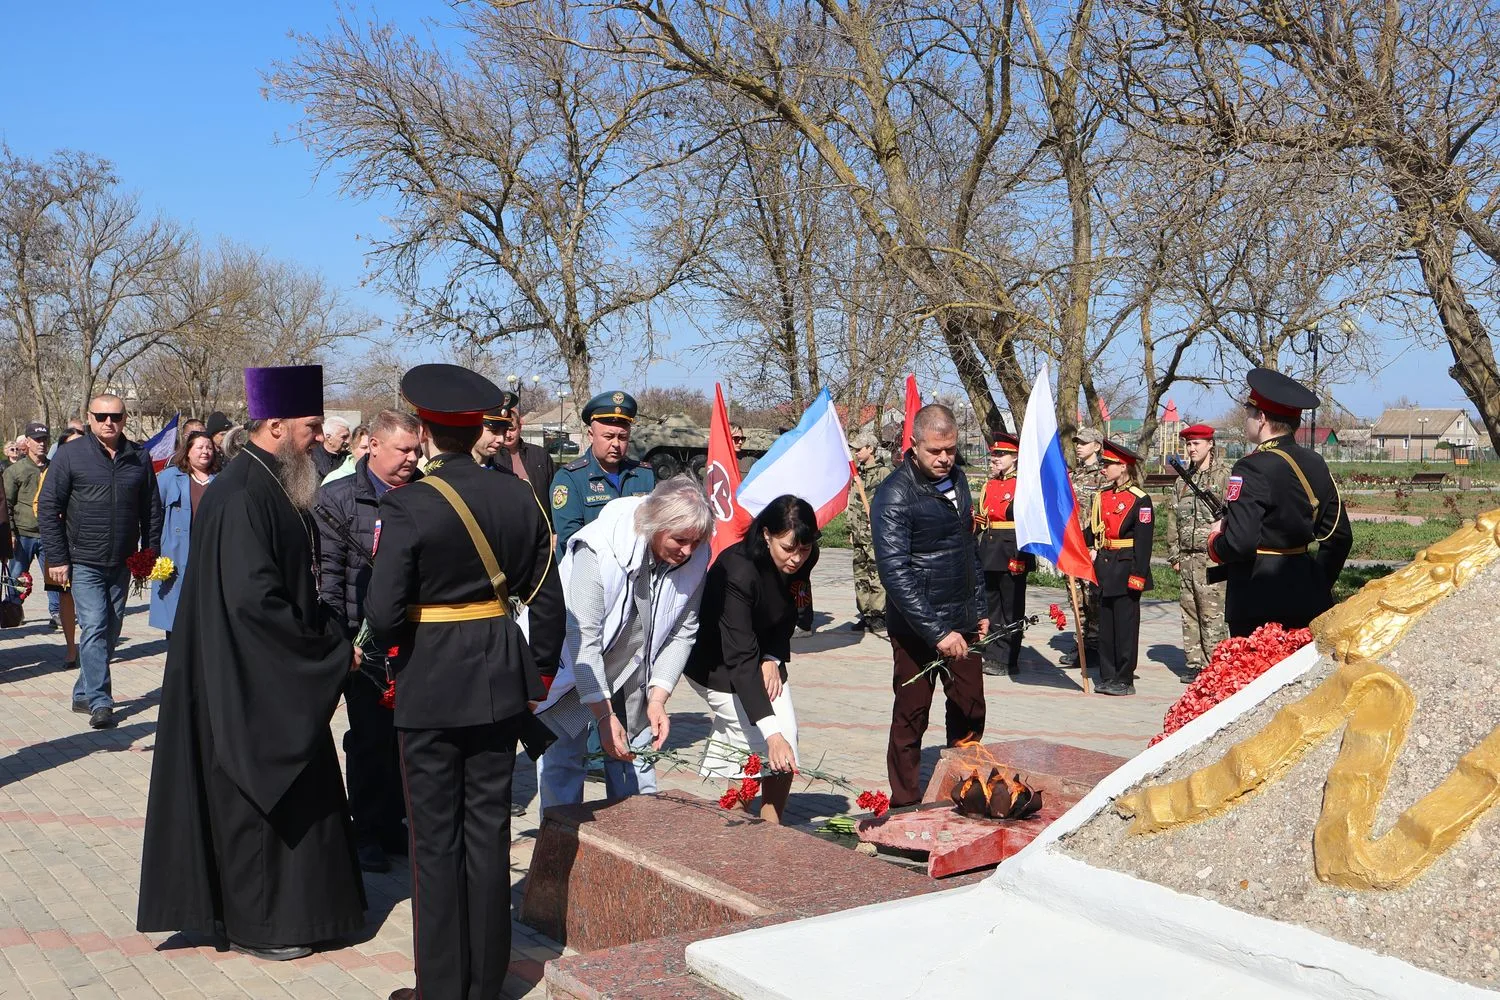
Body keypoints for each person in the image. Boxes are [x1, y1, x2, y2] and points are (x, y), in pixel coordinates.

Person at [137, 364, 365, 962]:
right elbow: (254, 604)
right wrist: (328, 653)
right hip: (249, 679)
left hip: (265, 669)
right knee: (260, 800)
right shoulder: (243, 493)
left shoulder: (270, 482)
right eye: (311, 426)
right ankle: (264, 926)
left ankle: (303, 914)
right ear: (274, 425)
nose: (319, 437)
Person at [363, 364, 564, 1000]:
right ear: (482, 427)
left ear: (422, 432)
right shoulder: (518, 497)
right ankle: (485, 983)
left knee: (434, 842)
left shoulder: (410, 503)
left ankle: (441, 989)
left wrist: (391, 656)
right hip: (500, 679)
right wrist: (538, 672)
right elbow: (545, 597)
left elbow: (382, 613)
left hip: (430, 683)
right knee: (488, 831)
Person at [533, 476, 710, 811]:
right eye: (680, 540)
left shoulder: (695, 554)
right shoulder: (598, 548)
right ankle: (559, 846)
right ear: (656, 526)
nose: (688, 551)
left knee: (635, 761)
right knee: (564, 762)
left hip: (634, 669)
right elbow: (583, 640)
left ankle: (636, 846)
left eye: (697, 542)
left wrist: (658, 697)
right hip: (575, 668)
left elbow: (683, 631)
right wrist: (603, 716)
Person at [315, 409, 423, 875]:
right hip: (364, 645)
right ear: (372, 445)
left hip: (415, 640)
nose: (412, 458)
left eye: (417, 449)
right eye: (403, 450)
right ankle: (365, 831)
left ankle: (393, 822)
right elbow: (330, 581)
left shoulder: (425, 494)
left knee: (407, 739)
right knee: (370, 741)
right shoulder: (338, 500)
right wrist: (345, 645)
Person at [873, 404, 988, 807]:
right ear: (915, 445)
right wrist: (937, 632)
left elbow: (967, 549)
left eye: (951, 450)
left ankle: (965, 787)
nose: (944, 459)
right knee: (911, 716)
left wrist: (980, 609)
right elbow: (895, 573)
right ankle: (905, 803)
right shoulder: (894, 494)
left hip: (964, 619)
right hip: (916, 629)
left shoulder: (959, 481)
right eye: (935, 451)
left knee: (970, 707)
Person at [687, 495, 818, 823]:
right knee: (755, 747)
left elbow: (788, 612)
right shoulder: (738, 571)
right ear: (766, 535)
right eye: (788, 548)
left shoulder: (805, 555)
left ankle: (772, 826)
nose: (797, 558)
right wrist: (770, 736)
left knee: (787, 739)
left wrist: (772, 657)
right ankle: (734, 824)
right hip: (718, 664)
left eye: (803, 549)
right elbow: (739, 660)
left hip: (762, 655)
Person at [38, 395, 163, 730]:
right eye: (102, 416)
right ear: (90, 418)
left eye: (116, 417)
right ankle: (100, 701)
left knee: (112, 628)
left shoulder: (139, 457)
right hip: (83, 560)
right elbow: (49, 508)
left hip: (123, 560)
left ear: (125, 418)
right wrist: (59, 558)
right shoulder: (70, 455)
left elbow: (152, 510)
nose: (109, 422)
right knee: (94, 625)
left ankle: (83, 689)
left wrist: (148, 554)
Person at [1208, 368, 1352, 635]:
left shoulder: (1250, 467)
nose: (1246, 418)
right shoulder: (1315, 462)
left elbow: (1241, 543)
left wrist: (1216, 541)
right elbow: (1339, 537)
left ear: (1261, 417)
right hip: (1308, 599)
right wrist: (1318, 583)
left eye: (1249, 411)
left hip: (1257, 602)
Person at [1083, 439, 1154, 696]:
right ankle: (1108, 673)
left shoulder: (1140, 500)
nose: (1104, 468)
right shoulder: (1102, 497)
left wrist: (1138, 575)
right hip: (1104, 566)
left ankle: (1124, 678)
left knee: (1124, 626)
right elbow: (1092, 532)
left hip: (1126, 568)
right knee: (1106, 627)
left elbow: (1144, 544)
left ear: (1123, 466)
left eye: (1109, 464)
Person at [550, 390, 656, 557]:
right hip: (588, 572)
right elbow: (571, 537)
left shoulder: (644, 475)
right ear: (591, 436)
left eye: (622, 437)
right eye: (608, 436)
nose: (616, 444)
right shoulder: (570, 478)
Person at [1168, 424, 1230, 677]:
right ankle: (1194, 664)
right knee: (1190, 610)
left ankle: (1216, 666)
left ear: (1210, 444)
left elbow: (1233, 515)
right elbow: (1173, 517)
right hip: (1187, 556)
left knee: (1212, 612)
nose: (1191, 449)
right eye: (1189, 444)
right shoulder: (1183, 480)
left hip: (1212, 556)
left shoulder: (1224, 475)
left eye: (1197, 444)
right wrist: (1174, 554)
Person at [147, 430, 219, 637]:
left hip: (209, 554)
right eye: (200, 447)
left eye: (209, 447)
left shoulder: (220, 479)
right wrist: (152, 550)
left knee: (206, 609)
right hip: (176, 555)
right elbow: (154, 514)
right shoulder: (170, 477)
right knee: (176, 613)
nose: (205, 452)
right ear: (187, 451)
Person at [974, 433, 1032, 677]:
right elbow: (983, 519)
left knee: (1012, 608)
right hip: (990, 549)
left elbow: (1027, 523)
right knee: (992, 606)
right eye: (994, 454)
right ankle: (992, 651)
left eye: (1001, 454)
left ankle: (1009, 657)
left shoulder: (1023, 485)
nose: (995, 459)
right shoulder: (990, 484)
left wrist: (1020, 556)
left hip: (1012, 551)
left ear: (1015, 457)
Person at [35, 426, 84, 669]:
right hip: (59, 543)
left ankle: (91, 643)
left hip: (87, 544)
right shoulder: (52, 471)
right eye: (71, 445)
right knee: (65, 596)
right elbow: (41, 506)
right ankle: (71, 648)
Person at [5, 422, 62, 627]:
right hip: (23, 534)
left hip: (50, 533)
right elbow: (7, 504)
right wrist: (10, 533)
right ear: (27, 442)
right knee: (17, 576)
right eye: (37, 440)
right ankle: (12, 610)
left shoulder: (55, 468)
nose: (41, 444)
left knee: (55, 576)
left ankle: (57, 613)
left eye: (45, 439)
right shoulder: (16, 471)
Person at [1062, 426, 1107, 668]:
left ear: (1097, 446)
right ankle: (1081, 643)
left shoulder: (1102, 476)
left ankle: (1094, 645)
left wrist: (1097, 546)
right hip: (1072, 545)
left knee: (1093, 599)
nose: (1079, 445)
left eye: (1084, 442)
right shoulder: (1073, 476)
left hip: (1090, 546)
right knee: (1076, 598)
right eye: (1077, 442)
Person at [846, 430, 889, 635]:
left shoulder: (883, 473)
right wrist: (850, 528)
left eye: (859, 449)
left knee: (876, 573)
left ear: (870, 449)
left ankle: (878, 613)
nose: (855, 453)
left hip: (875, 533)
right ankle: (865, 613)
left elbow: (887, 503)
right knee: (860, 573)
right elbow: (853, 502)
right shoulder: (858, 473)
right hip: (859, 531)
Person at [493, 394, 558, 517]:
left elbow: (555, 493)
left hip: (542, 524)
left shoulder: (540, 454)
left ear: (520, 427)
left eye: (512, 429)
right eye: (503, 430)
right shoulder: (492, 457)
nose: (508, 435)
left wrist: (554, 529)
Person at [312, 414, 352, 481]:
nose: (348, 441)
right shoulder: (312, 457)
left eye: (348, 437)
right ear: (329, 438)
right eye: (344, 437)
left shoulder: (349, 459)